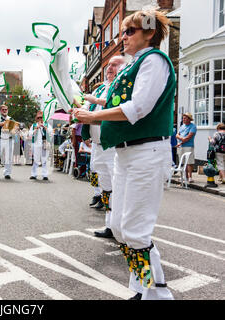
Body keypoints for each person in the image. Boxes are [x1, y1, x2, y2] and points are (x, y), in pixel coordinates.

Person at [74, 10, 176, 300]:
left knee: (136, 231)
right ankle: (144, 288)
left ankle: (156, 294)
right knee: (119, 227)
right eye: (122, 32)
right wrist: (85, 104)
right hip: (127, 154)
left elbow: (137, 107)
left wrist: (92, 117)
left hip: (147, 151)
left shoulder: (154, 60)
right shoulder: (135, 65)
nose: (123, 38)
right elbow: (113, 99)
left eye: (129, 32)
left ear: (149, 31)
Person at [82, 55, 126, 237]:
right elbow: (87, 109)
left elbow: (118, 106)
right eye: (108, 65)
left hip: (113, 146)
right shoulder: (101, 88)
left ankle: (121, 227)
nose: (110, 68)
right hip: (98, 145)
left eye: (115, 65)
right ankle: (110, 225)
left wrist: (94, 101)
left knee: (118, 186)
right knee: (105, 186)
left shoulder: (122, 87)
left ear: (123, 69)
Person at [29, 110, 51, 180]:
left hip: (44, 144)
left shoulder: (47, 124)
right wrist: (36, 128)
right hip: (36, 144)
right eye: (38, 118)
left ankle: (45, 175)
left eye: (41, 117)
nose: (40, 119)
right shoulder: (34, 125)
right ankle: (34, 174)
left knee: (44, 160)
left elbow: (51, 133)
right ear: (36, 118)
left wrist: (45, 128)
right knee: (36, 160)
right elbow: (30, 134)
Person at [176, 113, 197, 183]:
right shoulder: (182, 126)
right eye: (183, 118)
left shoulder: (193, 126)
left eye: (185, 118)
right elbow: (177, 135)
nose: (183, 119)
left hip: (189, 146)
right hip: (181, 146)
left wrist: (181, 141)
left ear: (189, 119)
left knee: (189, 162)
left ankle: (190, 177)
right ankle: (184, 176)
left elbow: (188, 137)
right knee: (182, 162)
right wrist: (181, 139)